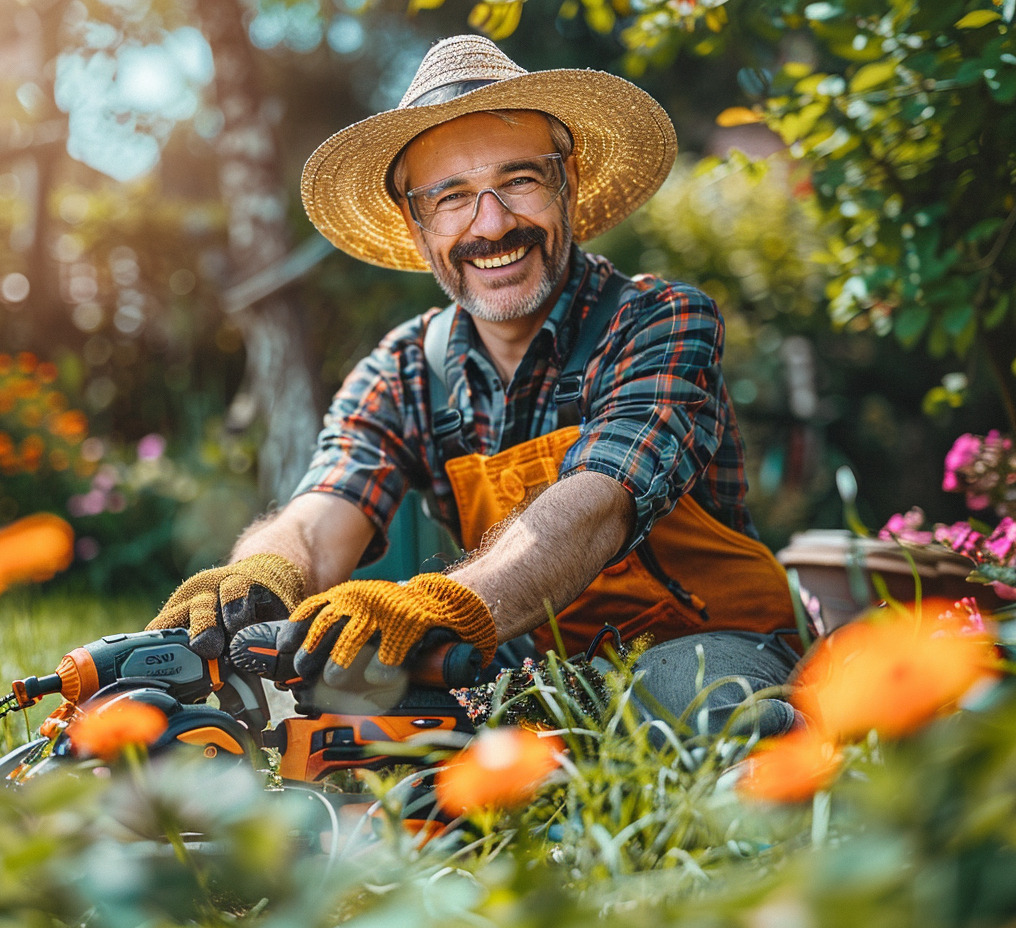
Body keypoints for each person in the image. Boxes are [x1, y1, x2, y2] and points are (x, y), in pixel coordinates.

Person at [147, 35, 803, 736]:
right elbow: (323, 510)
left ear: (567, 183)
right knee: (349, 721)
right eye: (450, 196)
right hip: (531, 662)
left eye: (519, 179)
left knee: (675, 706)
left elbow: (597, 506)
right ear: (416, 223)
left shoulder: (661, 321)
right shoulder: (402, 371)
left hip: (708, 645)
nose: (491, 225)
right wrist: (261, 574)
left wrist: (440, 606)